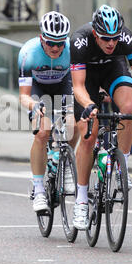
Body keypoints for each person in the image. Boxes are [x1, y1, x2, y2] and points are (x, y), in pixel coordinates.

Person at [70, 5, 132, 230]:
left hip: (113, 71)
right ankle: (80, 200)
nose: (111, 43)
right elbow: (78, 86)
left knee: (128, 109)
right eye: (105, 38)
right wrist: (89, 104)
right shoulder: (80, 41)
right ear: (94, 33)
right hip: (87, 79)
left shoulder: (126, 38)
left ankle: (122, 168)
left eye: (114, 38)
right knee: (88, 136)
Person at [18, 11, 78, 213]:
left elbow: (80, 82)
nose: (55, 48)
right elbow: (23, 95)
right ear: (41, 38)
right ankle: (39, 189)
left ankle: (67, 165)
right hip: (38, 89)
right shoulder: (28, 53)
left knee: (73, 123)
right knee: (43, 131)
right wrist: (34, 106)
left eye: (60, 43)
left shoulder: (72, 50)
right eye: (51, 42)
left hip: (63, 85)